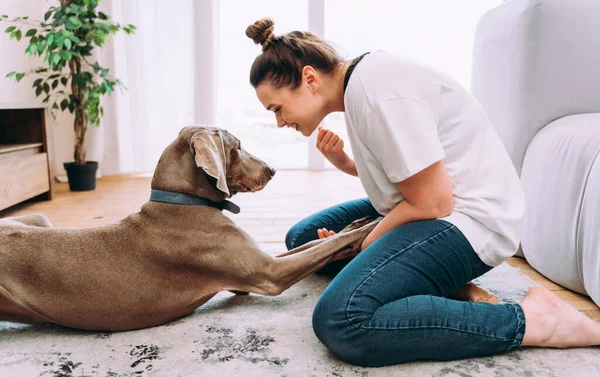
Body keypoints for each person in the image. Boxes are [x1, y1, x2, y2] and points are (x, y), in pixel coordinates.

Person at [245, 18, 600, 367]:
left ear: (309, 78)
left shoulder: (376, 91)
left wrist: (361, 244)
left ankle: (533, 320)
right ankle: (438, 283)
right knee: (305, 240)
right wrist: (346, 166)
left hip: (469, 219)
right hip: (428, 204)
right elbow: (403, 171)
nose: (280, 122)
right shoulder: (360, 86)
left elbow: (433, 200)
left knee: (342, 320)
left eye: (277, 108)